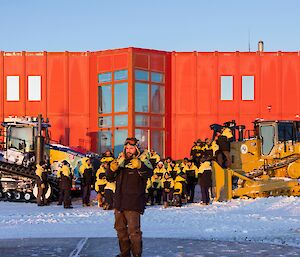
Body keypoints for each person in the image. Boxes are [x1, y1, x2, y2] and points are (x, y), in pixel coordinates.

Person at [106, 137, 153, 257]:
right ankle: (124, 254)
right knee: (120, 230)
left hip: (133, 202)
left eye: (131, 148)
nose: (128, 150)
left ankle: (137, 255)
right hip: (119, 202)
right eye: (127, 148)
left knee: (134, 232)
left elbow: (149, 173)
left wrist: (140, 166)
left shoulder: (143, 160)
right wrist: (111, 169)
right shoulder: (120, 161)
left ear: (136, 149)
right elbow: (110, 178)